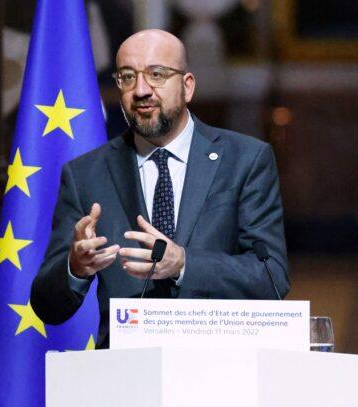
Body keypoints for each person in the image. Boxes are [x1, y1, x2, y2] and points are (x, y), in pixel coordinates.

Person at [31, 29, 289, 348]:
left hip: (221, 364)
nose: (141, 90)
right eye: (127, 77)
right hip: (125, 377)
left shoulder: (245, 160)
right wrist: (75, 268)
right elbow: (46, 306)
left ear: (187, 86)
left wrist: (183, 263)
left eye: (156, 74)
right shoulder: (86, 174)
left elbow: (272, 275)